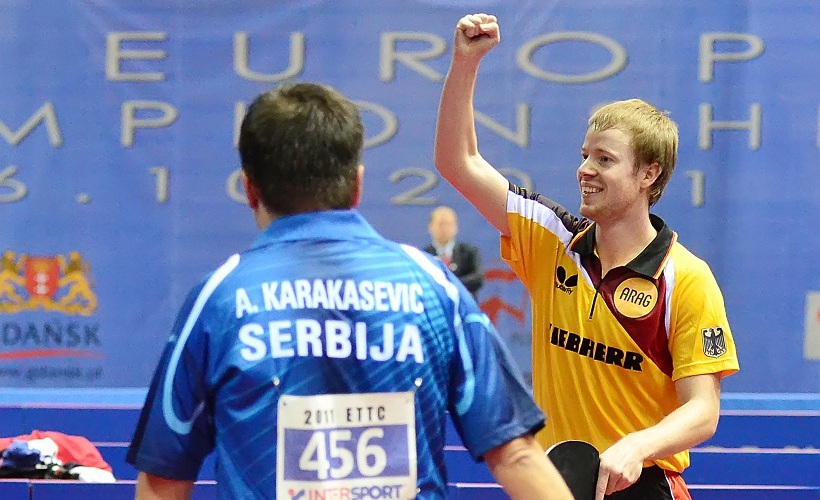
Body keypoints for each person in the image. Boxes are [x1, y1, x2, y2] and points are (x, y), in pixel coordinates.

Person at [127, 82, 573, 500]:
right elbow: (515, 454)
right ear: (357, 184)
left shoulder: (221, 299)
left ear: (249, 189)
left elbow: (166, 475)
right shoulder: (434, 287)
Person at [434, 13, 740, 500]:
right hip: (557, 485)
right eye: (585, 155)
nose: (584, 170)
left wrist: (638, 446)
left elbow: (703, 410)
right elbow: (459, 163)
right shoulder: (550, 239)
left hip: (644, 485)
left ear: (647, 175)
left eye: (604, 159)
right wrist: (465, 63)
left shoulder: (686, 278)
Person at [423, 206, 484, 299]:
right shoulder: (423, 255)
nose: (445, 228)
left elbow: (478, 278)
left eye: (449, 224)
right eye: (441, 224)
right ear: (430, 227)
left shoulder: (469, 252)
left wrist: (449, 284)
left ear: (456, 227)